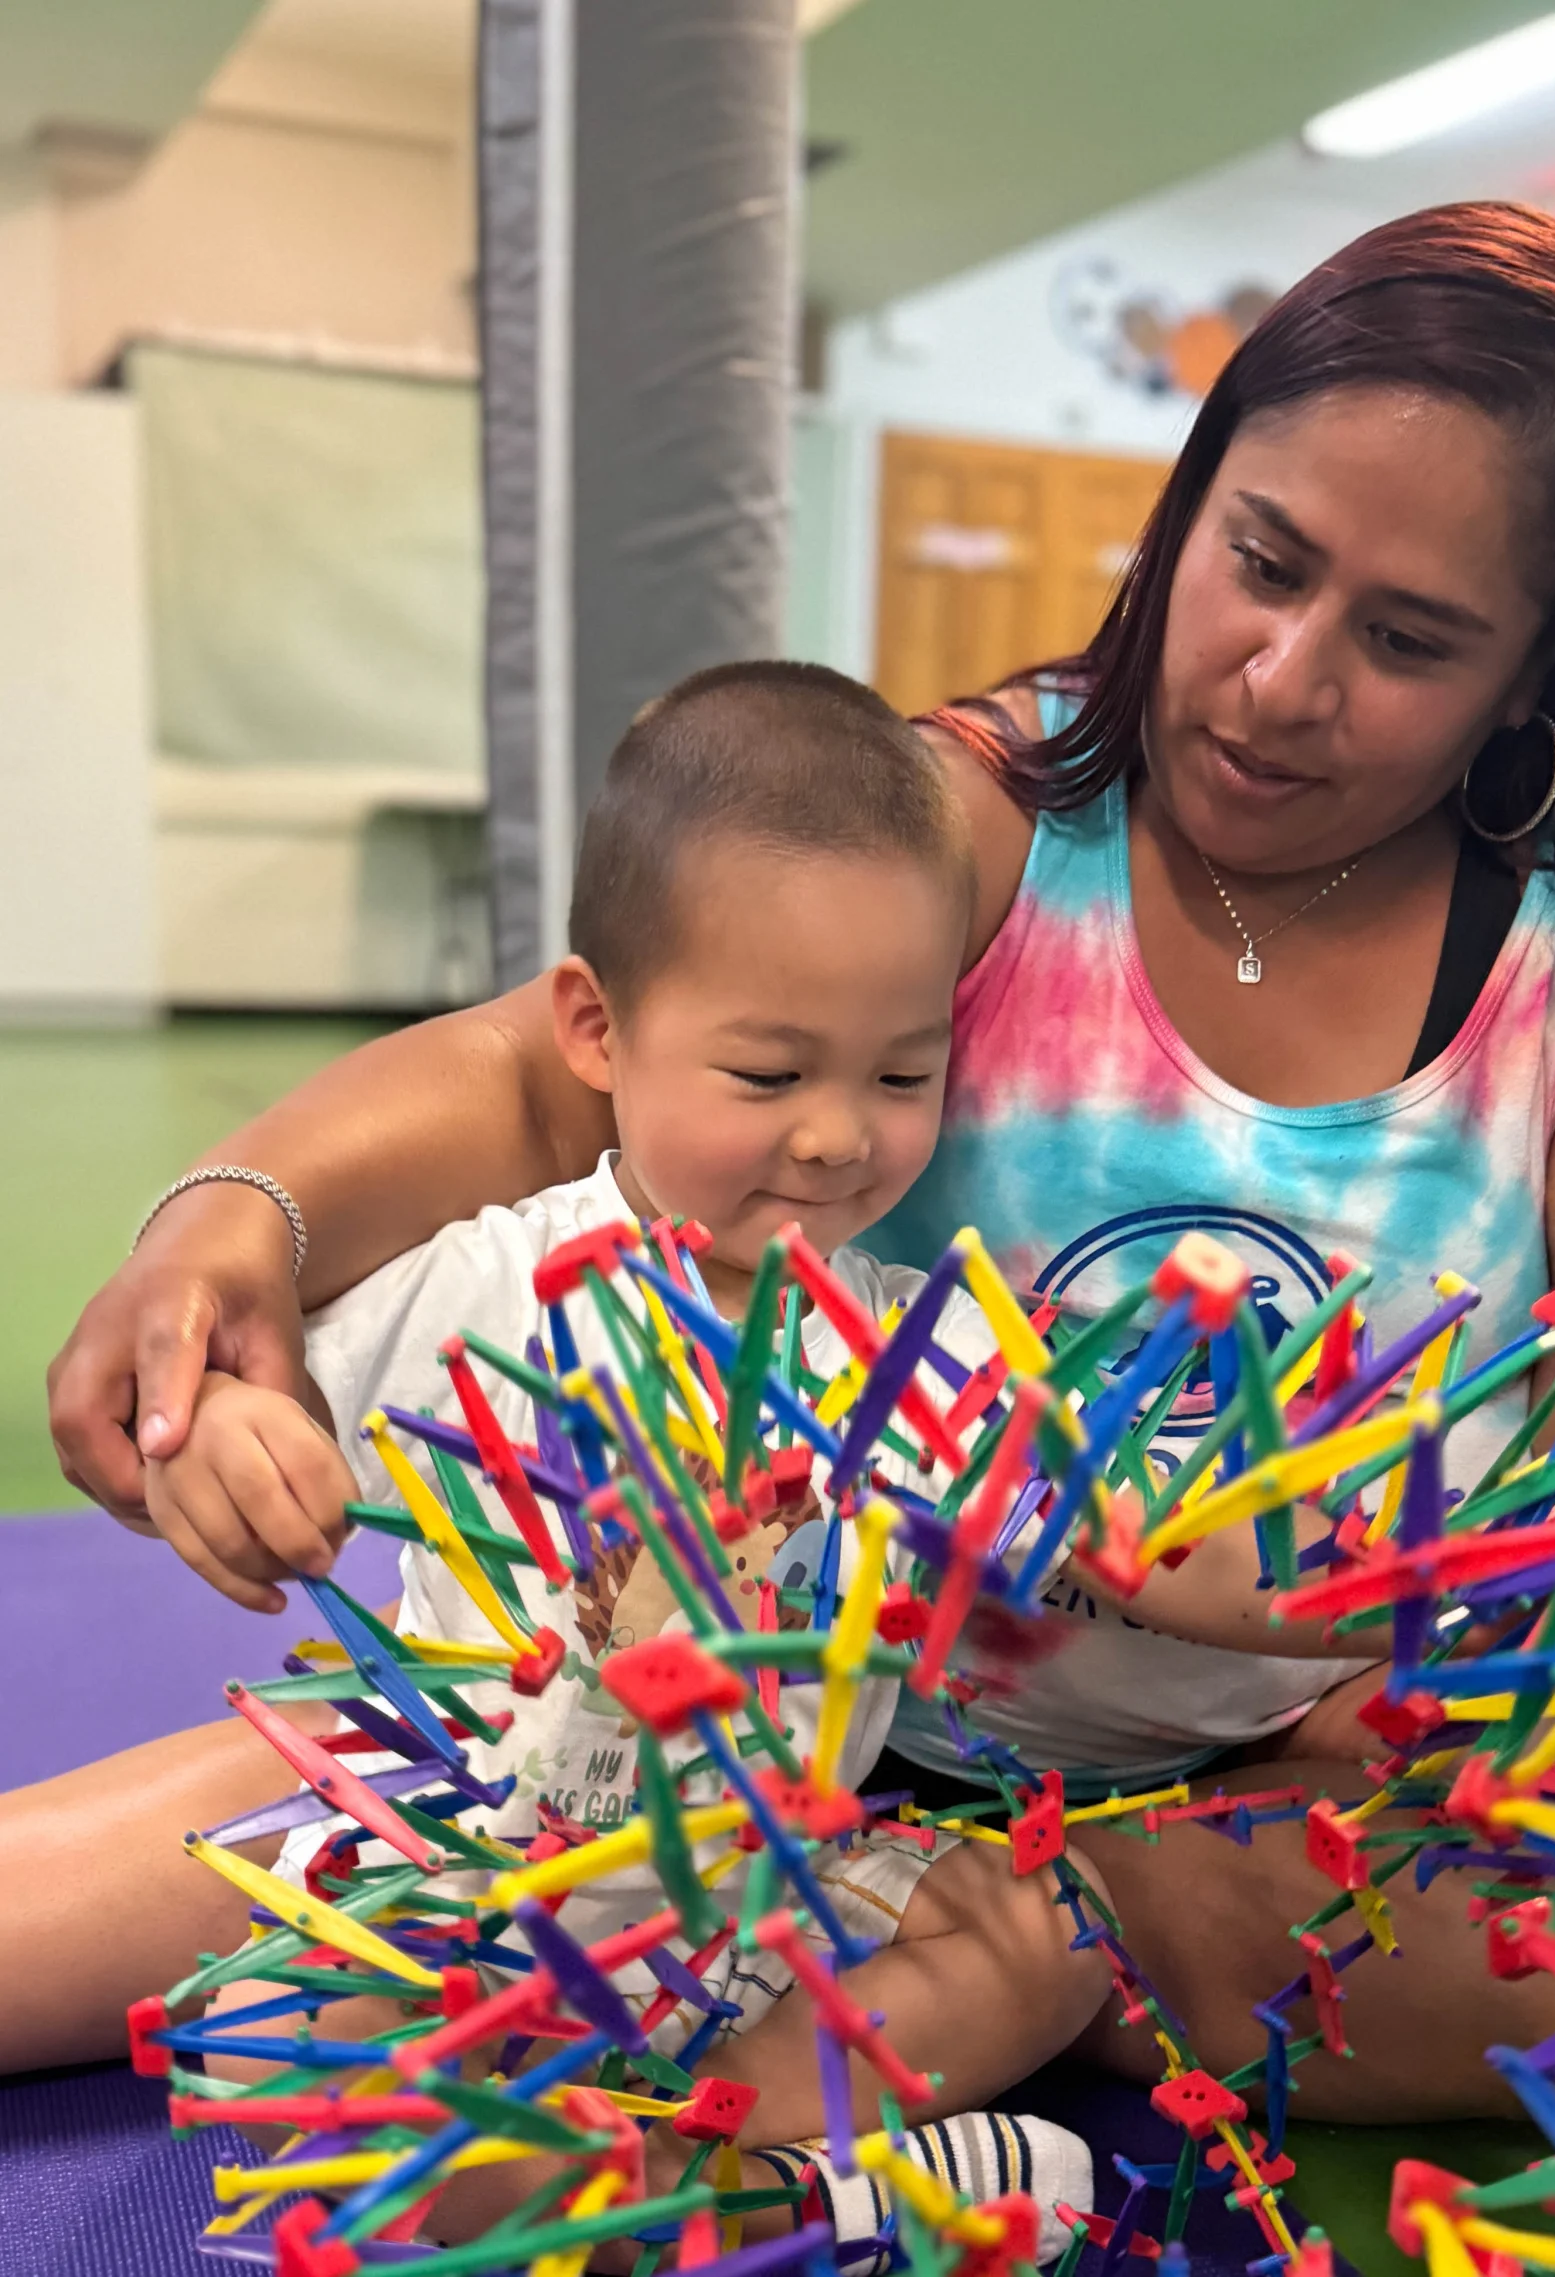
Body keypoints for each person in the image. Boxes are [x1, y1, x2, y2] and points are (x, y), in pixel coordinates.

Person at [45, 203, 1555, 2121]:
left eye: (1407, 640)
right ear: (1191, 496)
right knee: (168, 1885)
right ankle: (939, 1968)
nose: (1280, 676)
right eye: (1261, 561)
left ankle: (970, 1959)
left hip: (1254, 1795)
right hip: (772, 1708)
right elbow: (547, 1066)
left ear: (1544, 674)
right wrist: (232, 1220)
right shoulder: (990, 811)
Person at [8, 665, 1106, 2255]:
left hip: (763, 1898)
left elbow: (1062, 1520)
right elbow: (261, 1396)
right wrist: (238, 1448)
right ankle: (786, 2196)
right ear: (596, 1027)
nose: (836, 1138)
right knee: (327, 2075)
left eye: (900, 1073)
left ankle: (700, 2168)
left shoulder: (927, 1344)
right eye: (769, 1073)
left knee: (1050, 1941)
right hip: (476, 1894)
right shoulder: (496, 1280)